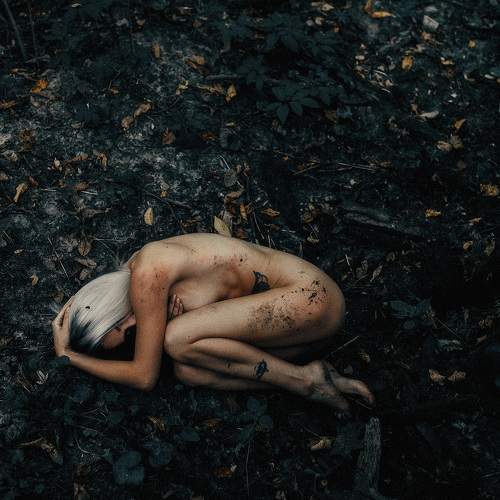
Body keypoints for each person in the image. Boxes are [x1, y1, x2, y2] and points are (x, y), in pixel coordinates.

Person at [52, 233, 374, 413]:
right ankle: (306, 375)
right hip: (301, 334)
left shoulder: (148, 273)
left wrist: (69, 357)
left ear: (109, 307)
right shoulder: (142, 282)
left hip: (312, 299)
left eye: (119, 324)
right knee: (188, 371)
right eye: (130, 333)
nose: (135, 325)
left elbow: (144, 376)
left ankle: (305, 381)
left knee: (176, 339)